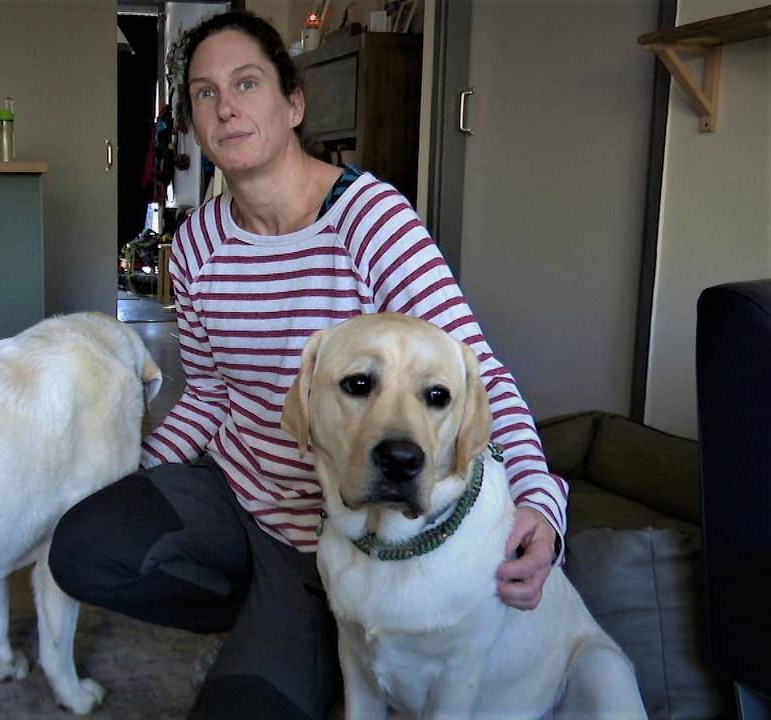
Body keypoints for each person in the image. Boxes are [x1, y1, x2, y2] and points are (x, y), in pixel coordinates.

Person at [49, 10, 568, 719]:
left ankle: (309, 621)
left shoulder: (371, 220)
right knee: (82, 544)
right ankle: (280, 621)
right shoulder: (197, 245)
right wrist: (132, 474)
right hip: (233, 494)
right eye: (204, 93)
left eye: (246, 83)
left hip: (330, 537)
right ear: (195, 121)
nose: (226, 106)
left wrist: (541, 499)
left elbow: (477, 373)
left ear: (292, 103)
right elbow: (205, 393)